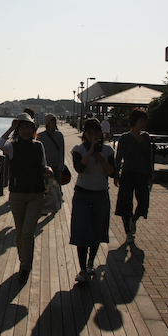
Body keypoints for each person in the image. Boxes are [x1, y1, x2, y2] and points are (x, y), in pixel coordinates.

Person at [0, 113, 53, 284]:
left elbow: (43, 165)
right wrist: (11, 128)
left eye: (29, 127)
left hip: (36, 194)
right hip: (17, 194)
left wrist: (48, 170)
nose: (26, 131)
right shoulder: (12, 147)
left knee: (28, 232)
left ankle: (25, 267)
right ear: (18, 130)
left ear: (33, 129)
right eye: (23, 128)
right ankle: (24, 261)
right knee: (20, 232)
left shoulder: (39, 146)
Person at [70, 118, 115, 282]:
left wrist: (102, 160)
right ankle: (82, 269)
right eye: (90, 134)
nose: (93, 137)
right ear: (85, 134)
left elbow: (112, 172)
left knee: (97, 229)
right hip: (82, 193)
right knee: (82, 230)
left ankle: (90, 262)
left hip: (101, 193)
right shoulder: (78, 149)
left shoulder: (108, 151)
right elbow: (79, 168)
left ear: (101, 133)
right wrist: (90, 152)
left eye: (96, 133)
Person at [113, 108, 153, 244]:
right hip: (128, 174)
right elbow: (118, 158)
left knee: (143, 202)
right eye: (141, 121)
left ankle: (133, 220)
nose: (143, 123)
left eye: (144, 121)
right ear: (134, 121)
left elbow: (149, 157)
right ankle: (128, 233)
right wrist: (116, 175)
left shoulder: (146, 138)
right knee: (125, 203)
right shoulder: (125, 138)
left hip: (142, 174)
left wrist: (150, 175)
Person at [38, 114, 66, 183]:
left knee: (56, 186)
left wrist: (61, 166)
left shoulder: (59, 135)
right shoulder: (40, 136)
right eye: (52, 120)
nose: (54, 122)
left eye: (55, 120)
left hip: (56, 166)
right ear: (47, 122)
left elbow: (61, 151)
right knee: (46, 186)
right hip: (45, 167)